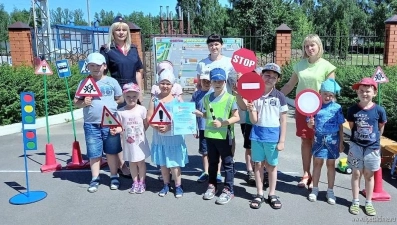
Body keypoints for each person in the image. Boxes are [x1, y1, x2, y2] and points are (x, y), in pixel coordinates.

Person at [280, 34, 336, 189]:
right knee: (305, 141)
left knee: (317, 141)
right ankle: (306, 174)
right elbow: (290, 85)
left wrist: (331, 113)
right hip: (302, 109)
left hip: (321, 111)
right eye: (306, 46)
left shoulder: (327, 66)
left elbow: (331, 91)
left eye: (313, 45)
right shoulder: (299, 65)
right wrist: (275, 95)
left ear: (319, 46)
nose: (310, 48)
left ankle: (315, 176)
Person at [236, 63, 288, 209]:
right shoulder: (255, 95)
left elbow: (283, 120)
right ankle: (259, 193)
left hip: (272, 136)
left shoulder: (280, 97)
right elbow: (254, 120)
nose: (270, 79)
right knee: (258, 164)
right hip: (257, 135)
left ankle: (272, 194)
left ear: (277, 80)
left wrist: (282, 140)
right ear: (261, 76)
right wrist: (251, 109)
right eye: (267, 75)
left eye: (274, 77)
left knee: (271, 166)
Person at [100, 15, 144, 178]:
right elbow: (102, 74)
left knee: (132, 128)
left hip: (132, 93)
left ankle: (134, 160)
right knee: (115, 130)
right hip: (116, 95)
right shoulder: (107, 50)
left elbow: (139, 71)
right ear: (112, 32)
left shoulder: (133, 49)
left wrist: (140, 93)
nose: (121, 32)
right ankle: (120, 164)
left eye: (123, 29)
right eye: (117, 29)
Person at [73, 52, 123, 193]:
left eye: (98, 65)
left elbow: (120, 98)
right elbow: (76, 102)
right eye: (92, 65)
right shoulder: (84, 83)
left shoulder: (112, 82)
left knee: (111, 151)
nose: (95, 68)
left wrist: (113, 104)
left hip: (110, 121)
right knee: (94, 152)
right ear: (87, 67)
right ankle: (95, 178)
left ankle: (114, 175)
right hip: (91, 123)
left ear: (104, 66)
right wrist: (84, 102)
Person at [194, 68, 240, 205]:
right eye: (215, 81)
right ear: (211, 82)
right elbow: (208, 116)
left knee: (227, 163)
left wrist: (223, 123)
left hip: (225, 136)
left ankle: (228, 189)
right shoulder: (207, 98)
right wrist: (201, 114)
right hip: (210, 136)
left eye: (220, 81)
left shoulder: (231, 98)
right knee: (213, 163)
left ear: (225, 82)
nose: (217, 83)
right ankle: (212, 185)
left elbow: (236, 117)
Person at [347, 78, 386, 216]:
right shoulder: (352, 110)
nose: (364, 94)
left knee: (369, 176)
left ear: (374, 92)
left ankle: (368, 202)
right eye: (361, 91)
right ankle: (355, 201)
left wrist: (374, 142)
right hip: (356, 147)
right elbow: (352, 127)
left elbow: (381, 128)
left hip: (372, 148)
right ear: (357, 92)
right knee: (356, 174)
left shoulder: (379, 110)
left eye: (368, 91)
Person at [147, 69, 188, 198]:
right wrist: (156, 127)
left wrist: (170, 126)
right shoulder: (154, 100)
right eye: (162, 83)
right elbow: (149, 118)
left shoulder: (177, 100)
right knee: (164, 163)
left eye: (168, 83)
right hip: (160, 138)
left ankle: (178, 185)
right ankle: (165, 184)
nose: (165, 86)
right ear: (158, 84)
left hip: (174, 137)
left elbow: (184, 119)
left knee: (174, 164)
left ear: (172, 85)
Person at [307, 78, 345, 204]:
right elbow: (310, 125)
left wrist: (341, 142)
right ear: (320, 93)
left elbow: (340, 125)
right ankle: (315, 189)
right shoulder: (314, 106)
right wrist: (310, 124)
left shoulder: (337, 107)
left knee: (331, 165)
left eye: (331, 95)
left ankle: (330, 191)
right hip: (318, 140)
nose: (328, 97)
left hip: (333, 140)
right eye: (325, 94)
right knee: (317, 163)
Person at [111, 83, 150, 194]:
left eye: (134, 96)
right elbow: (119, 126)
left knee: (141, 163)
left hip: (139, 142)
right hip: (128, 143)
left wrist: (141, 133)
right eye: (128, 96)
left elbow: (145, 123)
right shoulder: (121, 112)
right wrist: (117, 130)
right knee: (132, 163)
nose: (131, 99)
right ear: (124, 96)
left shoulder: (142, 109)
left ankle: (142, 182)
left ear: (137, 96)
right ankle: (135, 182)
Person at [192, 73, 222, 183]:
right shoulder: (196, 94)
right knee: (205, 152)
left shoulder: (216, 94)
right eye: (204, 80)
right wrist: (193, 128)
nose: (206, 83)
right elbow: (192, 111)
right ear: (200, 81)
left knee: (217, 151)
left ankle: (218, 172)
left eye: (209, 81)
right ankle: (206, 172)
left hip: (214, 128)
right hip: (202, 127)